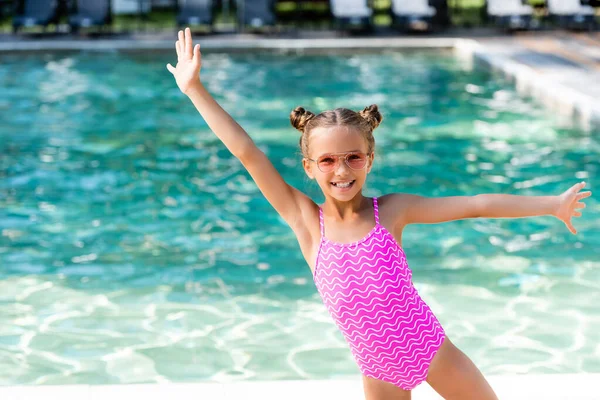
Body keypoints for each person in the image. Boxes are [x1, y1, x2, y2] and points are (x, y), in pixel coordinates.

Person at [166, 28, 592, 400]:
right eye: (328, 160)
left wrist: (551, 206)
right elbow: (248, 153)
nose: (342, 170)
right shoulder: (306, 223)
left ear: (370, 159)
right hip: (378, 370)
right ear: (309, 168)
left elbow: (476, 205)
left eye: (353, 157)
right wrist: (195, 90)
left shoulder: (391, 211)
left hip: (431, 350)